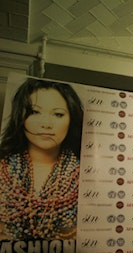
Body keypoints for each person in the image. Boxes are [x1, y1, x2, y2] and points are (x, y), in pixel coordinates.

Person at [0, 77, 83, 241]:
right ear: (20, 117)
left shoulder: (85, 175)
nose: (46, 124)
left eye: (58, 114)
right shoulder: (4, 170)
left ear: (71, 119)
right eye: (34, 112)